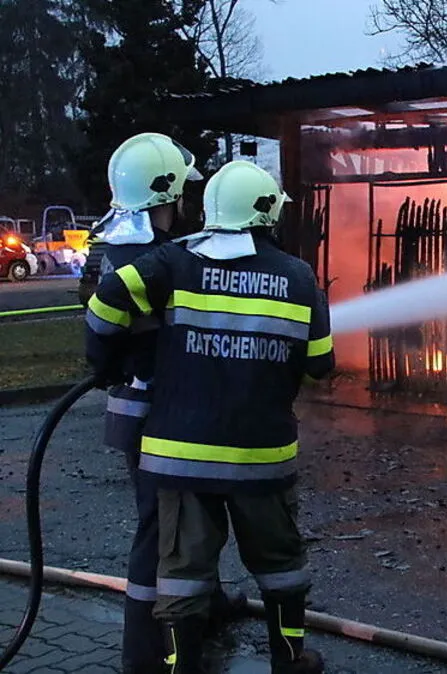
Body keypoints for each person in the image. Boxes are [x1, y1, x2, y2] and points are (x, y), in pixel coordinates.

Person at [86, 160, 334, 674]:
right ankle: (290, 659)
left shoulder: (172, 263)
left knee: (182, 571)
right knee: (281, 565)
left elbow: (105, 302)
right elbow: (320, 367)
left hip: (179, 458)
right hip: (260, 459)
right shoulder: (298, 276)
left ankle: (180, 665)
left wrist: (106, 362)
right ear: (267, 215)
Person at [87, 132, 244, 674]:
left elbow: (102, 341)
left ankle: (211, 605)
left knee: (188, 516)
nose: (187, 204)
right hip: (165, 416)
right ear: (166, 195)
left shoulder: (117, 250)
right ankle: (144, 654)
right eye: (182, 194)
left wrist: (110, 369)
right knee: (160, 530)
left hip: (142, 411)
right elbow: (105, 323)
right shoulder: (157, 260)